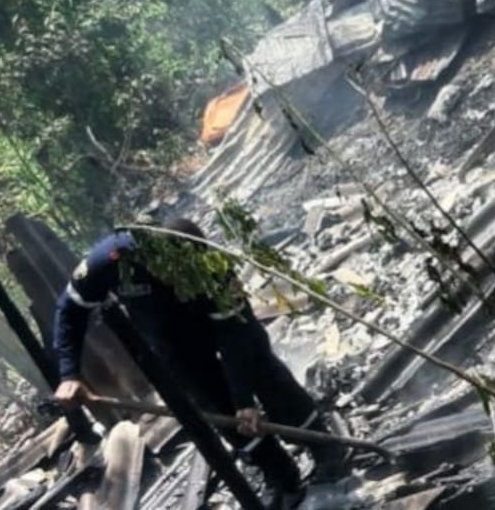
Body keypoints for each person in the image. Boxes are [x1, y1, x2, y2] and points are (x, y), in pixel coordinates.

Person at [52, 217, 336, 510]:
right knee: (217, 406)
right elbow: (70, 310)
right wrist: (69, 373)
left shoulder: (211, 269)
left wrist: (244, 401)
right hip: (174, 343)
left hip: (228, 327)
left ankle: (325, 448)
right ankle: (280, 476)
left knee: (265, 376)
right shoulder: (111, 260)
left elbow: (236, 342)